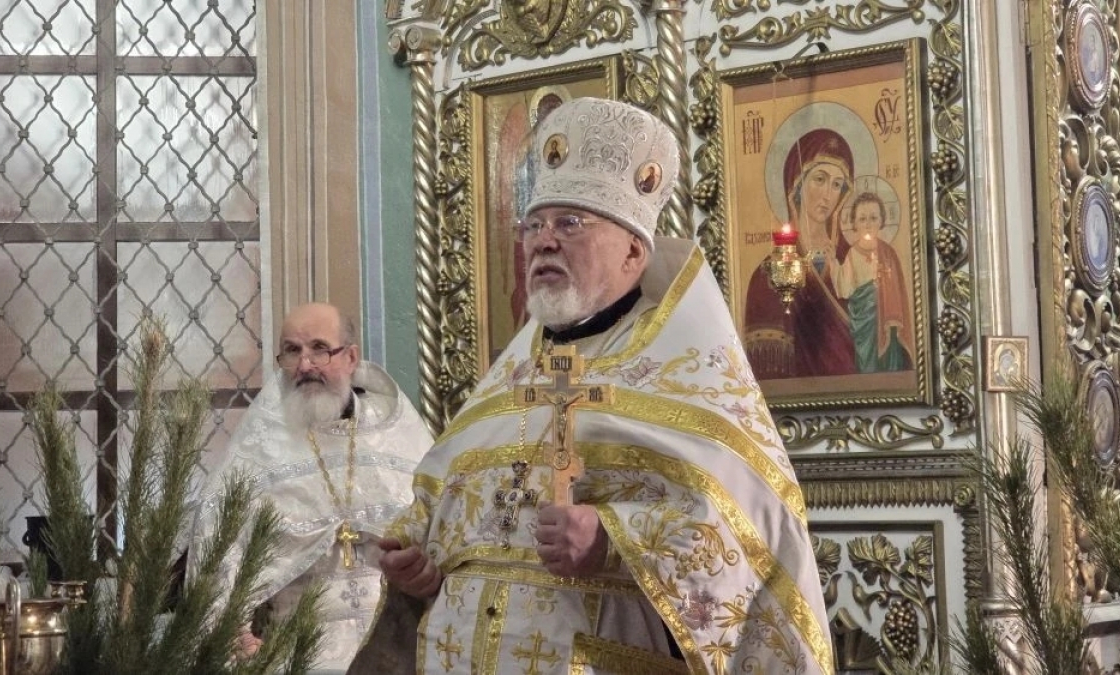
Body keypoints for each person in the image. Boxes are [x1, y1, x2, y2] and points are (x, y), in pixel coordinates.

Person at [350, 98, 832, 674]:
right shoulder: (511, 377)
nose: (543, 241)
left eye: (570, 224)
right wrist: (417, 562)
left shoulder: (691, 378)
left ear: (634, 250)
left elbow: (754, 542)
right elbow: (447, 516)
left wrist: (611, 539)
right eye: (534, 226)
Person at [188, 302, 432, 673]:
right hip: (296, 655)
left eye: (320, 349)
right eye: (292, 351)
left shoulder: (397, 435)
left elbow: (439, 531)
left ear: (351, 357)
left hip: (395, 650)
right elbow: (218, 545)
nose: (305, 365)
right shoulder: (261, 446)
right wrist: (231, 632)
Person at [744, 127, 858, 380]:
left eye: (837, 185)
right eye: (820, 179)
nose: (828, 195)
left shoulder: (853, 260)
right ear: (796, 183)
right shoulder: (768, 273)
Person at [833, 191, 913, 373]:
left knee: (890, 362)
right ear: (854, 223)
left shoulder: (889, 253)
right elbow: (845, 289)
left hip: (888, 322)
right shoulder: (853, 254)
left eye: (873, 218)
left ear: (881, 221)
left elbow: (898, 291)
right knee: (867, 363)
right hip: (864, 323)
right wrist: (832, 262)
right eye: (862, 219)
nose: (868, 224)